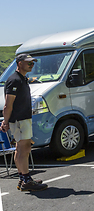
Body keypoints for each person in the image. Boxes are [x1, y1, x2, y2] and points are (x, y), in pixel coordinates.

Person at [1, 54, 48, 191]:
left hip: (22, 120)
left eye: (33, 63)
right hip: (20, 120)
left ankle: (23, 178)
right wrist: (5, 122)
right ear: (19, 63)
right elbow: (8, 105)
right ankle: (27, 180)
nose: (31, 65)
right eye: (28, 63)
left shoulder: (21, 79)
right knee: (24, 149)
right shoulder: (15, 80)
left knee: (20, 149)